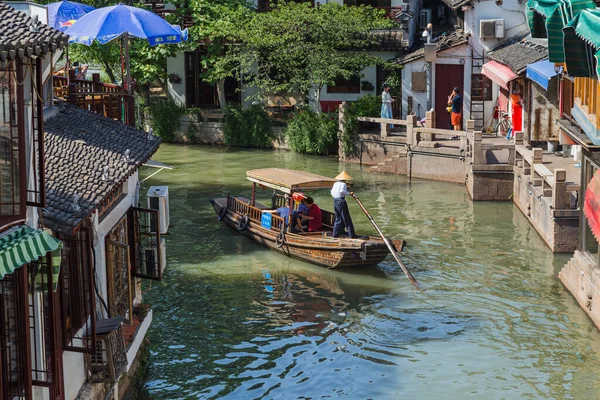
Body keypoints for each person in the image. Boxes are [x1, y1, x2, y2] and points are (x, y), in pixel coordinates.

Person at [330, 170, 357, 238]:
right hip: (341, 201)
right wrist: (349, 193)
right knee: (346, 218)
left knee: (338, 218)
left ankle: (335, 235)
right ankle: (352, 235)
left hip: (335, 201)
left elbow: (332, 192)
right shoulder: (343, 184)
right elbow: (342, 191)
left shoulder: (335, 183)